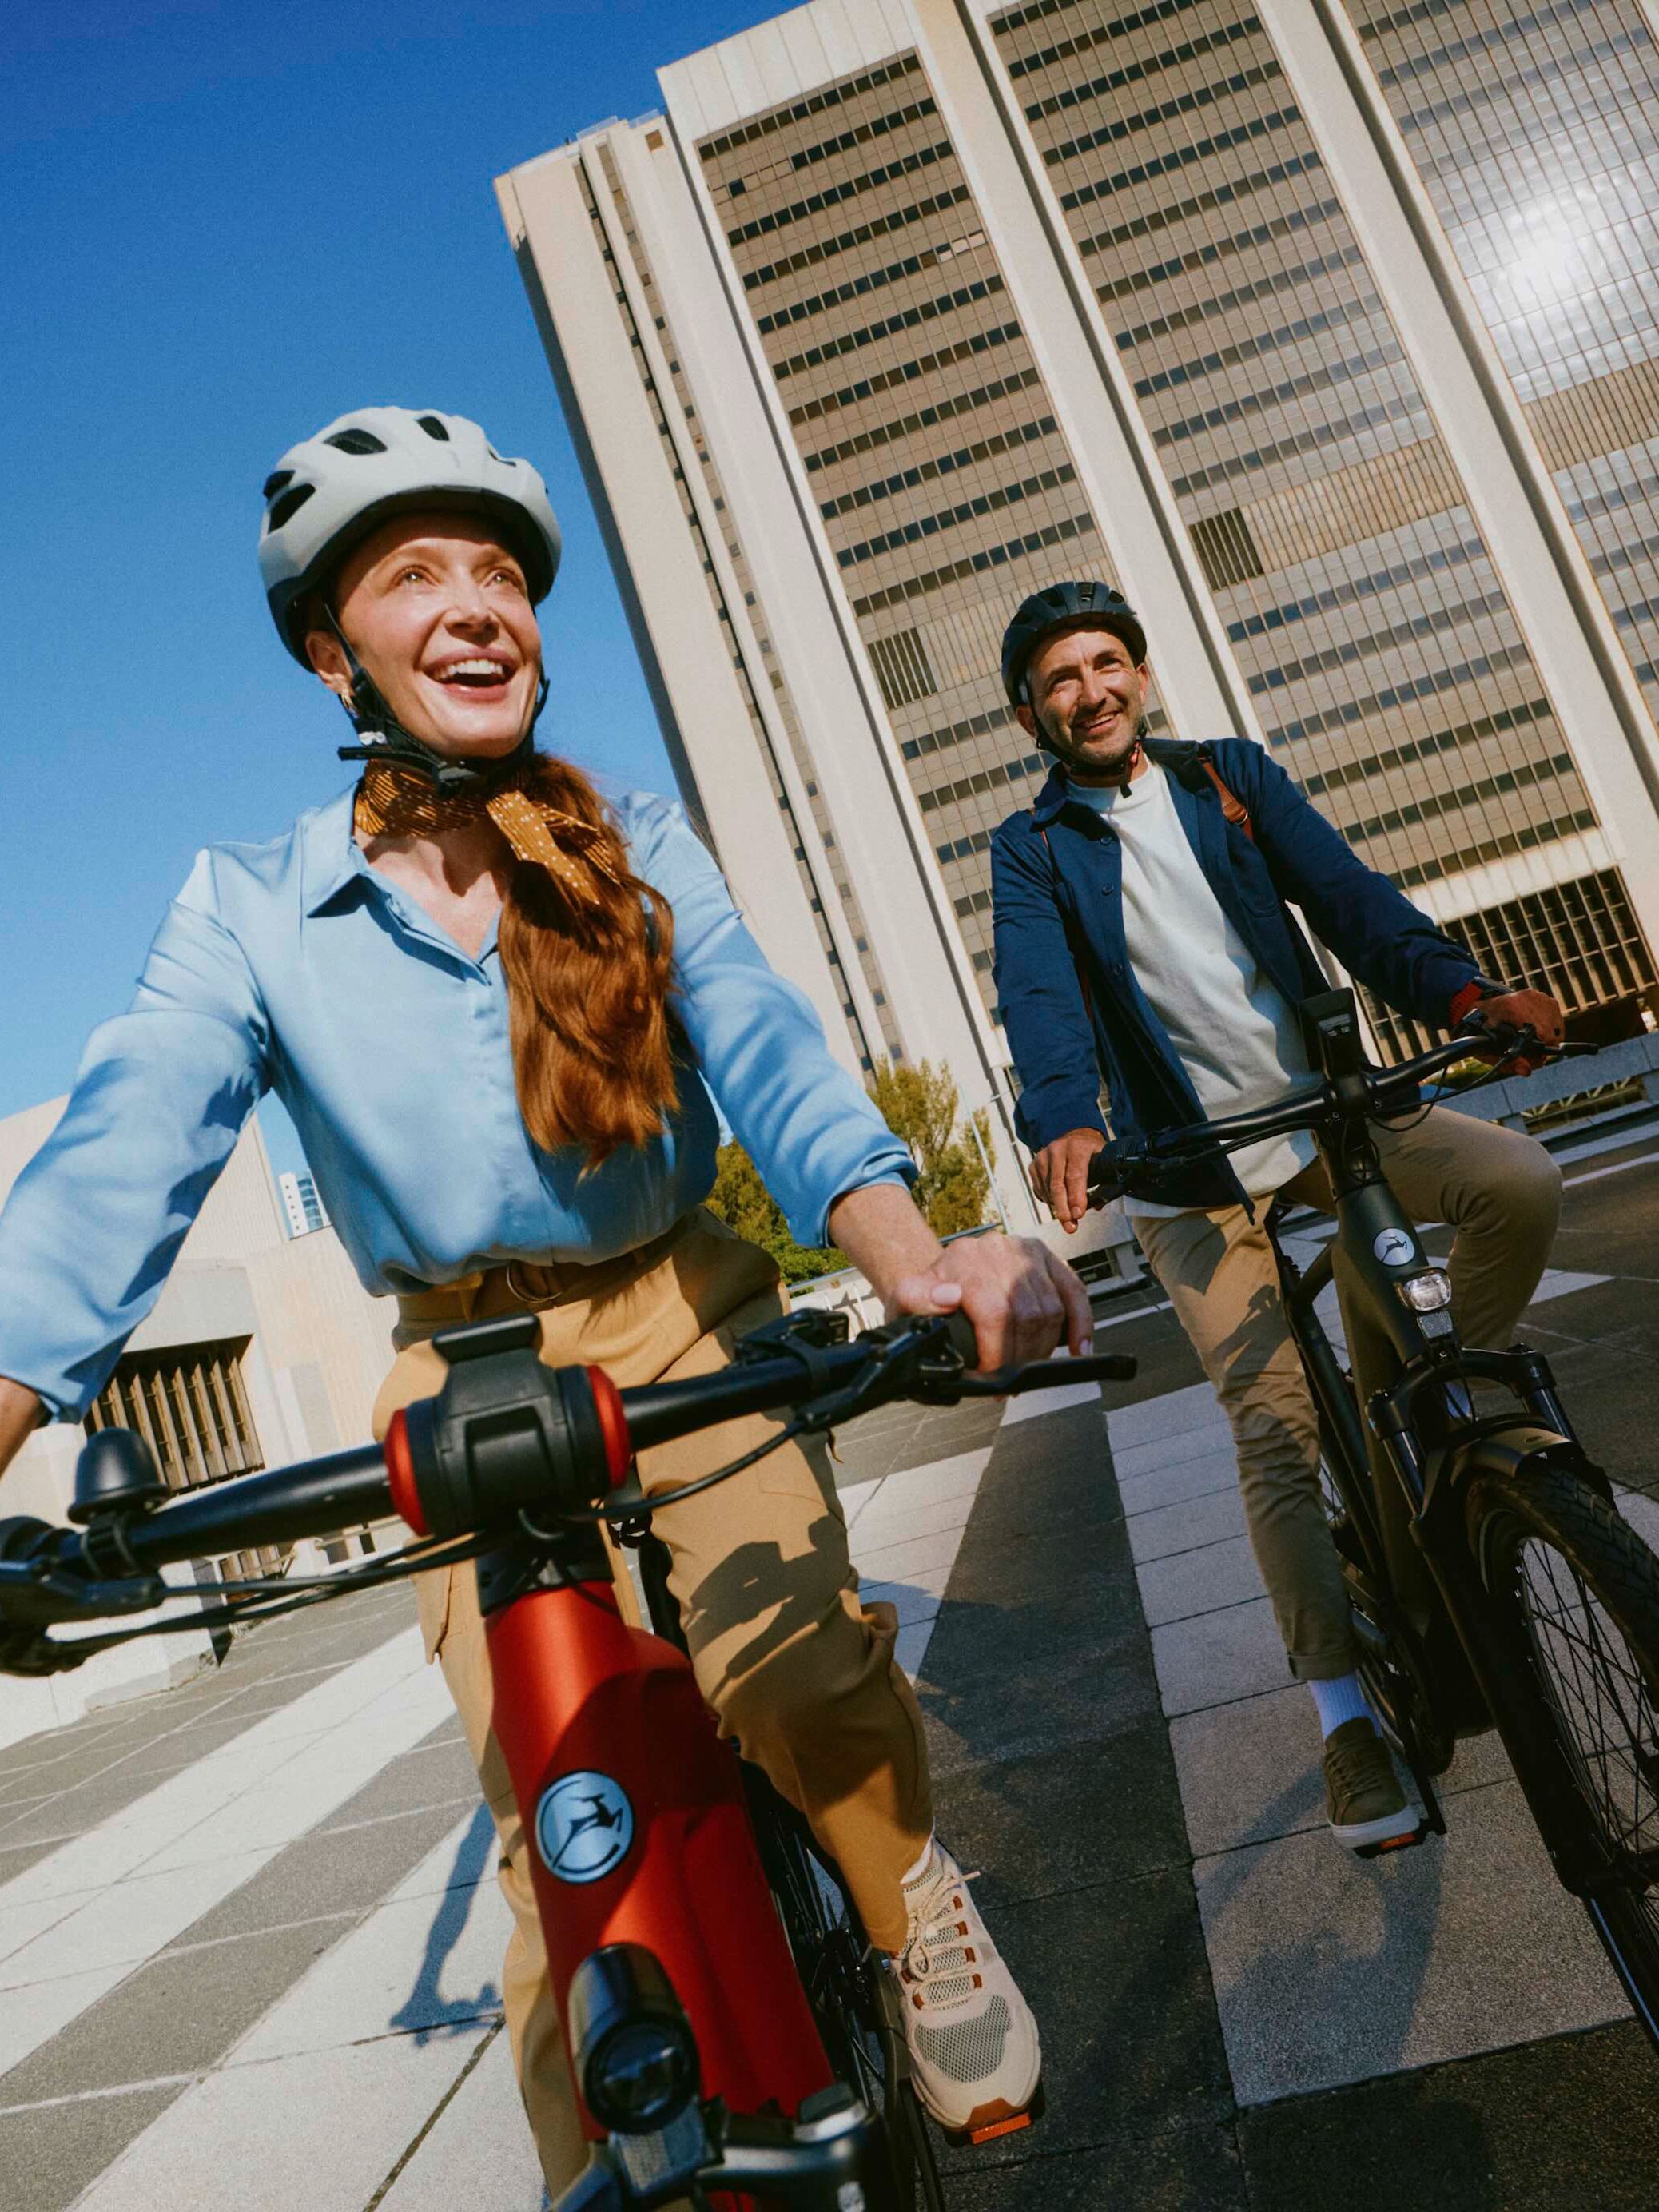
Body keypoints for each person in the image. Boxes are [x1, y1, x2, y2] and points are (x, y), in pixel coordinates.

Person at [0, 409, 1093, 2187]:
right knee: (560, 1837)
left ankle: (910, 1908)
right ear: (326, 647)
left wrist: (918, 1261)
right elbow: (118, 1163)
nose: (474, 605)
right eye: (416, 574)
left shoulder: (626, 833)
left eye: (499, 570)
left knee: (794, 1668)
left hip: (683, 1310)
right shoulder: (252, 911)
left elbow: (770, 1053)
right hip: (464, 1372)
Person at [989, 579, 1565, 1851]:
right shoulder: (1032, 851)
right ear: (1030, 713)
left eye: (1106, 663)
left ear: (1138, 674)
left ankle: (1420, 1393)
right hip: (1188, 1166)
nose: (1090, 691)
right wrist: (1063, 1114)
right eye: (1060, 679)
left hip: (1334, 1119)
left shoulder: (1227, 778)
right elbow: (1038, 995)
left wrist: (1467, 996)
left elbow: (1351, 902)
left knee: (1516, 1184)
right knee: (1276, 1428)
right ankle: (1345, 1715)